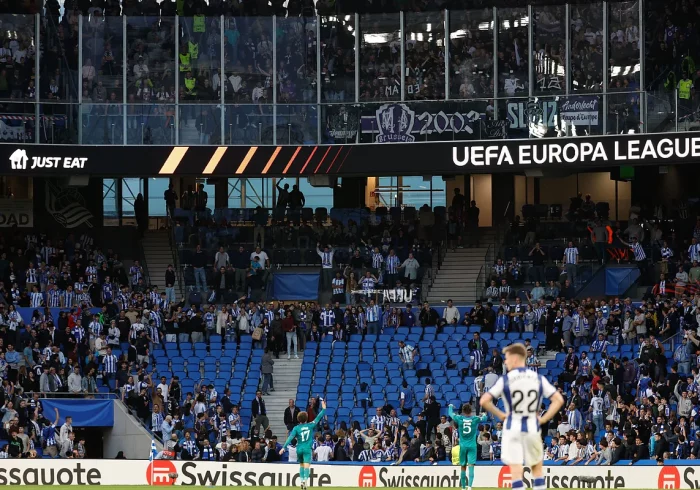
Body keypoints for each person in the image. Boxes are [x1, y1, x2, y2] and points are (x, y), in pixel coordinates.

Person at [479, 344, 565, 490]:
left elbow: (484, 400)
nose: (505, 362)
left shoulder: (506, 380)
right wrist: (543, 419)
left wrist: (502, 415)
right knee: (536, 469)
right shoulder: (536, 378)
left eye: (507, 359)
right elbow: (558, 400)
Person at [280, 398, 327, 490]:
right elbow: (318, 417)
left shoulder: (296, 428)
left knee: (301, 465)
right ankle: (305, 481)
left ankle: (301, 481)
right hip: (307, 449)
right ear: (306, 419)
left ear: (298, 419)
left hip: (299, 449)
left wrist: (284, 447)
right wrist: (324, 408)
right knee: (306, 466)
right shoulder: (310, 425)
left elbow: (290, 437)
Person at [448, 403, 487, 490]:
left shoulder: (459, 418)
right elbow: (484, 418)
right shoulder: (475, 419)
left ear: (463, 411)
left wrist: (451, 406)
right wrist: (484, 414)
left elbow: (450, 414)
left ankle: (463, 487)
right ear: (470, 410)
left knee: (463, 466)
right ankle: (469, 487)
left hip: (463, 446)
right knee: (471, 465)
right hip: (472, 446)